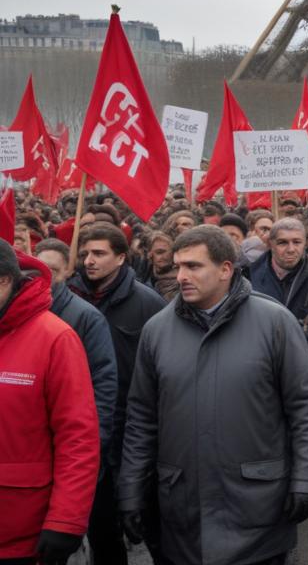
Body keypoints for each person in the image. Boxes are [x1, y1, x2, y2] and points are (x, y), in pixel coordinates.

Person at [118, 225, 308, 565]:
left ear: (225, 269)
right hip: (182, 513)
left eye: (194, 266)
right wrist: (131, 491)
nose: (182, 275)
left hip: (257, 511)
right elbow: (142, 419)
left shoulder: (275, 321)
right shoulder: (156, 331)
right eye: (178, 266)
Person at [67, 222, 167, 565]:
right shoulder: (71, 297)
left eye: (99, 253)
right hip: (88, 424)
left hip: (132, 427)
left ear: (121, 257)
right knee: (99, 525)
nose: (89, 261)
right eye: (84, 254)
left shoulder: (148, 303)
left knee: (144, 522)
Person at [0, 241, 100, 565]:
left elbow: (78, 437)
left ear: (4, 281)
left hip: (22, 530)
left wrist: (66, 520)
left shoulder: (55, 338)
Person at [33, 238, 118, 459]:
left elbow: (103, 381)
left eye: (53, 270)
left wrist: (93, 443)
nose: (45, 275)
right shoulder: (22, 313)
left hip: (71, 437)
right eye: (39, 268)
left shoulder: (87, 318)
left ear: (67, 272)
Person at [246, 217, 308, 323]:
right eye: (283, 243)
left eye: (296, 242)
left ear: (305, 243)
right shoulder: (249, 275)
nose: (291, 249)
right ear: (271, 244)